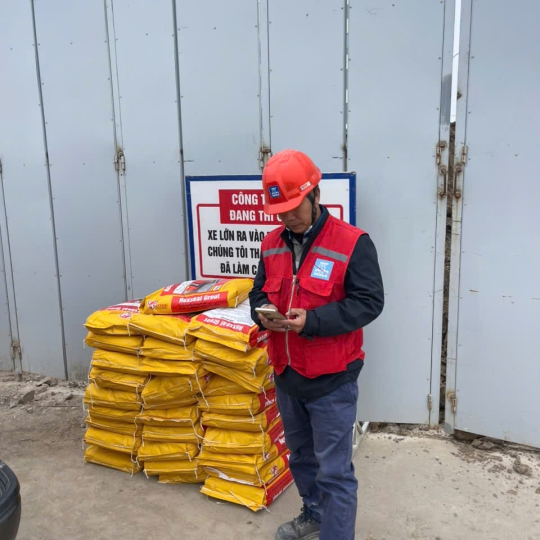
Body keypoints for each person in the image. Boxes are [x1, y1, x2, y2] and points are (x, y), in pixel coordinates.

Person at [249, 149, 384, 540]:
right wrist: (262, 311)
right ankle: (314, 513)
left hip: (332, 381)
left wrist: (314, 321)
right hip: (287, 375)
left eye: (294, 208)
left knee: (335, 472)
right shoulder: (271, 244)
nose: (288, 217)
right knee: (302, 459)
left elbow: (369, 303)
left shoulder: (352, 243)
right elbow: (258, 292)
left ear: (315, 195)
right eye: (280, 211)